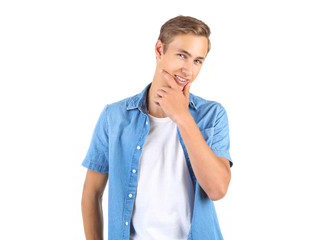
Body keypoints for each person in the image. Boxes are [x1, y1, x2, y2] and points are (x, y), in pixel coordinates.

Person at [81, 15, 233, 240]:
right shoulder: (114, 117)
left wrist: (182, 117)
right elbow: (92, 194)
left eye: (197, 61)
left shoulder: (211, 116)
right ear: (159, 49)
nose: (188, 70)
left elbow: (217, 189)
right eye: (182, 55)